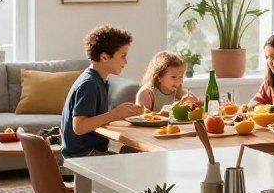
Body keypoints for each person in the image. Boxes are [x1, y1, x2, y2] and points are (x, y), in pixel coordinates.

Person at [61, 25, 142, 159]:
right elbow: (79, 126)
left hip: (86, 151)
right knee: (138, 160)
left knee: (134, 152)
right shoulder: (90, 84)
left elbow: (95, 120)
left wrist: (123, 113)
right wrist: (115, 113)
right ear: (104, 57)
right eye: (123, 56)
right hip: (83, 153)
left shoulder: (98, 80)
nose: (126, 61)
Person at [136, 51, 201, 112]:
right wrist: (163, 114)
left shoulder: (179, 91)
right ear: (159, 77)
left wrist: (194, 101)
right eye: (173, 77)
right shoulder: (147, 94)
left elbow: (199, 107)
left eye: (181, 76)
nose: (179, 81)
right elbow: (141, 116)